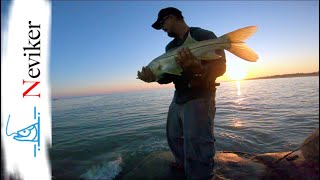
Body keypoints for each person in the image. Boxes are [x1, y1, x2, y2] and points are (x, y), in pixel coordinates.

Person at [138, 7, 226, 180]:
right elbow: (168, 76)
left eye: (163, 23)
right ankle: (182, 162)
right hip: (179, 96)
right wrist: (154, 77)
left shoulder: (203, 35)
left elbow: (221, 67)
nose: (162, 28)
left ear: (172, 17)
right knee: (173, 135)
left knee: (198, 139)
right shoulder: (170, 46)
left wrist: (198, 69)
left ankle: (202, 175)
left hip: (200, 96)